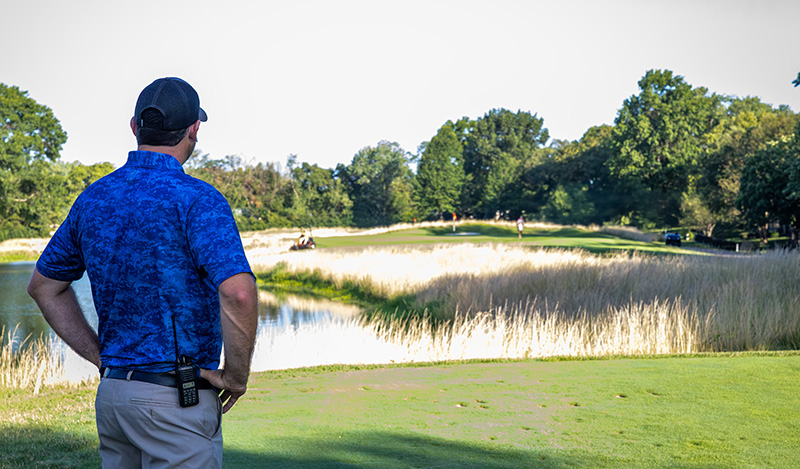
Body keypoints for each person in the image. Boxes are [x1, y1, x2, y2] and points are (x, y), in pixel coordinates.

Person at [27, 77, 258, 468]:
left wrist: (104, 359)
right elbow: (239, 293)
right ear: (193, 129)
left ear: (135, 127)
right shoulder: (198, 199)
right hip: (176, 402)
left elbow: (44, 287)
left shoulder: (94, 198)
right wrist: (236, 377)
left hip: (114, 397)